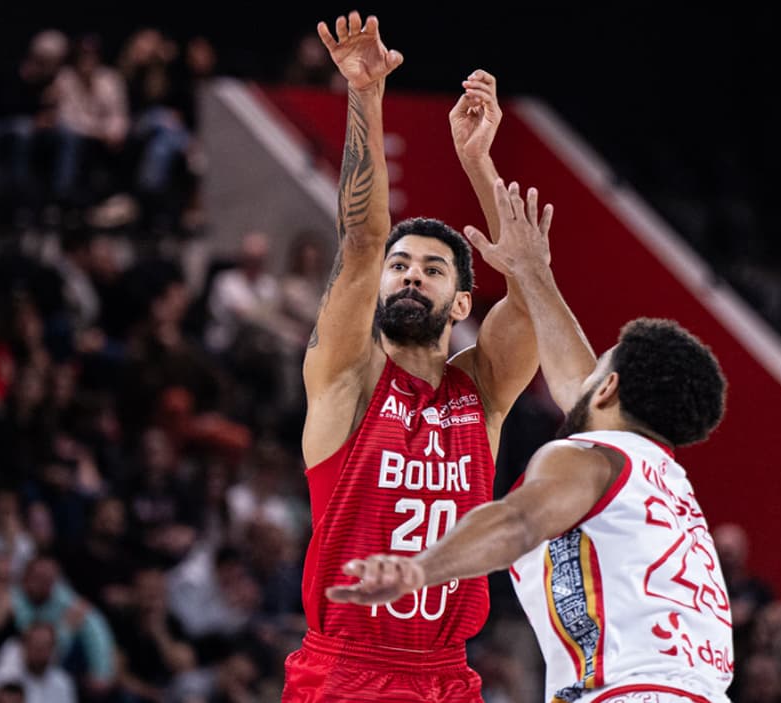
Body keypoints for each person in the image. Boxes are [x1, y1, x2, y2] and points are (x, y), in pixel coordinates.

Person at [328, 179, 732, 702]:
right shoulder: (662, 483)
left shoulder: (587, 460)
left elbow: (518, 522)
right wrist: (534, 273)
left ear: (608, 388)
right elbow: (578, 384)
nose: (581, 375)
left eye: (597, 369)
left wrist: (418, 570)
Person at [283, 11, 549, 702]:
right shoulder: (347, 377)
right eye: (401, 266)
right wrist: (364, 93)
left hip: (447, 673)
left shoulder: (479, 392)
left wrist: (478, 162)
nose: (409, 276)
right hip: (346, 668)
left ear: (461, 304)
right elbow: (362, 242)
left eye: (432, 270)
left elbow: (531, 298)